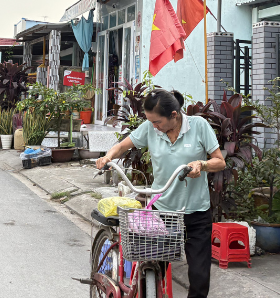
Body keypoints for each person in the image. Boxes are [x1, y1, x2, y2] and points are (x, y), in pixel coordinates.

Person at [96, 89, 224, 298]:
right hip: (162, 210)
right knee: (152, 269)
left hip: (196, 212)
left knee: (199, 275)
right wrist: (107, 157)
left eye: (157, 122)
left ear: (174, 115)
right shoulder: (150, 128)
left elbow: (220, 161)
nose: (154, 127)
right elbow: (122, 146)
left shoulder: (199, 126)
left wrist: (202, 164)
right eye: (151, 122)